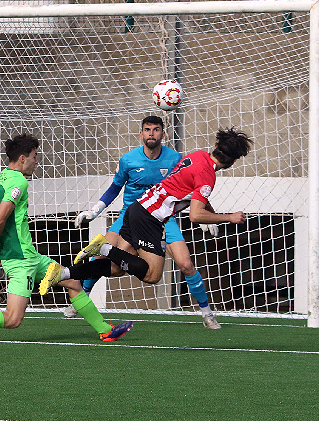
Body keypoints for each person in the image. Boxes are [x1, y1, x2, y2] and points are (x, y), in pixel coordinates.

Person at [0, 133, 134, 344]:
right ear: (22, 158)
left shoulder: (3, 176)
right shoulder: (19, 182)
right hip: (20, 260)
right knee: (12, 319)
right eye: (34, 157)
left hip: (30, 256)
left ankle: (104, 330)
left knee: (74, 283)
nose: (36, 162)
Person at [40, 127, 253, 310]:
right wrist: (228, 217)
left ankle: (64, 272)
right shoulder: (208, 175)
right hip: (150, 217)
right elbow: (195, 215)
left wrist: (211, 213)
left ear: (216, 146)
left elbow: (193, 192)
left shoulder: (197, 156)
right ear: (235, 159)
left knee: (116, 268)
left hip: (138, 209)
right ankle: (103, 249)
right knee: (152, 275)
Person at [68, 115, 223, 329]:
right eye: (147, 129)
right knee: (109, 261)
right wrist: (96, 210)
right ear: (141, 134)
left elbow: (195, 184)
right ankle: (81, 298)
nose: (152, 133)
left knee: (186, 264)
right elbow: (115, 188)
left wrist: (205, 212)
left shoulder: (175, 158)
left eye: (156, 129)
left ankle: (207, 314)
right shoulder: (128, 160)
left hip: (164, 218)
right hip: (131, 215)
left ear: (163, 133)